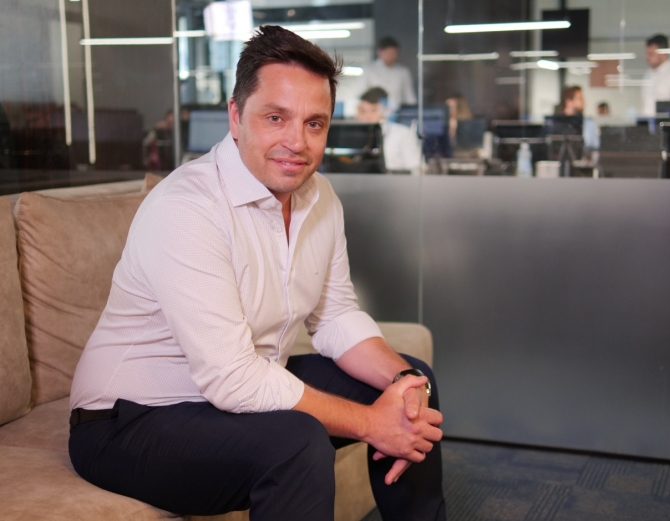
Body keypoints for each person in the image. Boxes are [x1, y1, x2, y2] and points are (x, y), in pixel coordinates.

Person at [68, 25, 446, 521]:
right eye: (275, 118)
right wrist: (373, 424)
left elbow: (335, 316)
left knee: (414, 384)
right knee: (296, 441)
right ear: (235, 116)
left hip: (234, 389)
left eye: (314, 123)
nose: (297, 142)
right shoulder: (187, 207)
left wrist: (401, 381)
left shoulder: (320, 199)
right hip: (127, 420)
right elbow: (232, 379)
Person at [356, 87, 422, 174]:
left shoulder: (404, 134)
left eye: (373, 111)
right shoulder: (355, 135)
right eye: (364, 111)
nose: (367, 116)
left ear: (386, 111)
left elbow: (415, 169)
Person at [357, 36, 416, 112]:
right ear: (379, 52)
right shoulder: (369, 70)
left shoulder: (403, 72)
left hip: (397, 112)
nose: (392, 56)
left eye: (395, 53)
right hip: (374, 113)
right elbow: (359, 94)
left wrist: (413, 111)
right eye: (389, 53)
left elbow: (410, 97)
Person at [560, 85, 599, 150]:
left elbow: (595, 147)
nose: (584, 102)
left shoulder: (588, 123)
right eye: (580, 99)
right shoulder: (556, 123)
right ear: (569, 102)